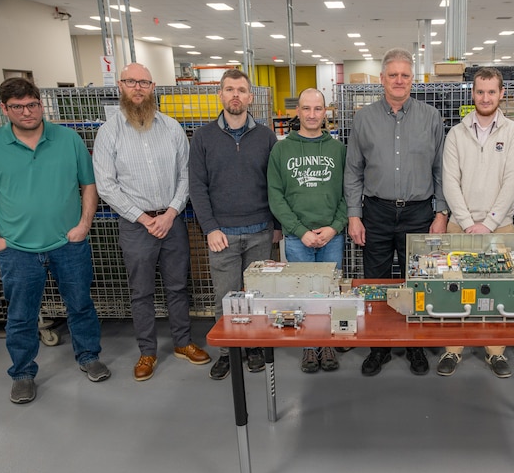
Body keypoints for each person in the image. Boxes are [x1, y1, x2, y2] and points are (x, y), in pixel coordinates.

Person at [0, 77, 109, 404]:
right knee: (21, 315)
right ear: (4, 108)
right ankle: (22, 373)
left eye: (32, 104)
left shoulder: (68, 139)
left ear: (41, 104)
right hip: (17, 248)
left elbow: (89, 185)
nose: (27, 112)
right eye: (17, 106)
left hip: (68, 244)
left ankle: (89, 356)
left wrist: (84, 225)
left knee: (80, 304)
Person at [93, 63, 211, 382]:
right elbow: (106, 185)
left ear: (153, 87)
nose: (138, 88)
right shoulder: (109, 132)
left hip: (172, 221)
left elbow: (186, 175)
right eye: (131, 82)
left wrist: (170, 213)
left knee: (178, 286)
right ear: (120, 86)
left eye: (144, 82)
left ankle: (183, 343)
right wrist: (144, 218)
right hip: (135, 225)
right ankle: (147, 351)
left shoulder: (171, 128)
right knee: (141, 292)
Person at [344, 47, 448, 376]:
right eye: (393, 75)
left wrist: (441, 213)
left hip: (419, 213)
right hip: (376, 212)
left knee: (415, 282)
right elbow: (353, 171)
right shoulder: (363, 119)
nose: (399, 80)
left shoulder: (431, 117)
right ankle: (380, 348)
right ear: (382, 79)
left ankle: (415, 345)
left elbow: (440, 170)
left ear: (412, 79)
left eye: (405, 75)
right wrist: (354, 215)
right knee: (376, 283)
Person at [435, 66, 514, 378]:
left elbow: (512, 183)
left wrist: (488, 224)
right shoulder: (456, 134)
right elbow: (450, 182)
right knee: (453, 289)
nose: (485, 97)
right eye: (480, 91)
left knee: (497, 292)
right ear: (472, 93)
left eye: (491, 92)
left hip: (500, 227)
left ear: (502, 93)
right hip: (459, 226)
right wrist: (465, 221)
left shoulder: (513, 133)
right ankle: (452, 349)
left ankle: (496, 352)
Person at [189, 68, 279, 380]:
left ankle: (253, 348)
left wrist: (276, 225)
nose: (235, 95)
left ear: (250, 97)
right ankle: (229, 352)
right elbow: (197, 187)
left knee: (257, 298)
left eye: (241, 90)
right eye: (229, 89)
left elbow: (275, 184)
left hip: (260, 232)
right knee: (225, 299)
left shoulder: (266, 137)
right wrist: (210, 228)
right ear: (220, 95)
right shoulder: (203, 137)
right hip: (222, 236)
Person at [267, 88, 347, 373]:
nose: (312, 114)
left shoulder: (338, 149)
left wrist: (335, 227)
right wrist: (300, 230)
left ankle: (327, 343)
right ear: (297, 112)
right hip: (297, 237)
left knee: (329, 293)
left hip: (332, 237)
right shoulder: (281, 150)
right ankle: (309, 347)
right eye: (306, 108)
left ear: (325, 112)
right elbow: (275, 196)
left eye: (317, 108)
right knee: (302, 294)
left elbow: (348, 193)